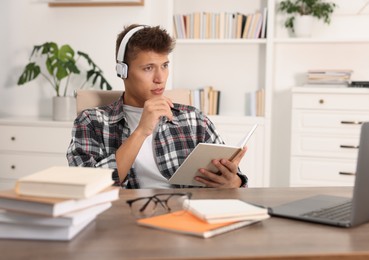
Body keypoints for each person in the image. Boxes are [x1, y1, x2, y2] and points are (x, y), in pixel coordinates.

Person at [67, 24, 248, 189]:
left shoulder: (194, 119)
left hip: (186, 215)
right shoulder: (92, 121)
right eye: (148, 68)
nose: (160, 78)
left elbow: (234, 179)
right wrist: (141, 131)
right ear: (122, 71)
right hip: (125, 218)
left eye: (164, 66)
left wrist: (234, 182)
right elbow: (86, 185)